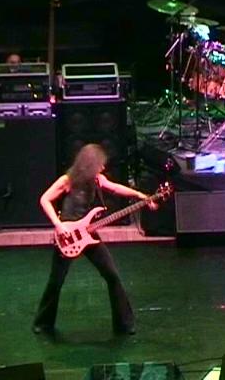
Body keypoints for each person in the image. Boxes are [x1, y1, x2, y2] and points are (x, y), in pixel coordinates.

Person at [33, 143, 158, 335]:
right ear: (90, 164)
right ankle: (43, 323)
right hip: (67, 236)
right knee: (56, 281)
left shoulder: (97, 179)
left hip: (89, 233)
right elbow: (45, 199)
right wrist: (59, 225)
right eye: (100, 164)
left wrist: (141, 196)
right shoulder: (67, 180)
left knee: (112, 275)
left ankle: (124, 325)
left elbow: (115, 188)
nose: (103, 167)